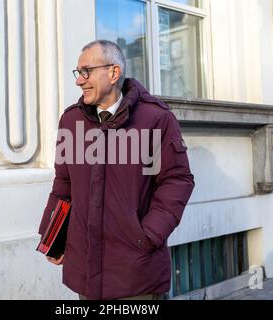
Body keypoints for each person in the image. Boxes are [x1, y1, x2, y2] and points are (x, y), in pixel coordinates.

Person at [38, 40, 194, 300]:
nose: (79, 81)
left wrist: (147, 236)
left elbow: (176, 180)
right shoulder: (71, 120)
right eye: (78, 73)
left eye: (86, 71)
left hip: (135, 273)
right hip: (85, 269)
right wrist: (53, 237)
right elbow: (64, 184)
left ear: (113, 72)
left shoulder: (155, 119)